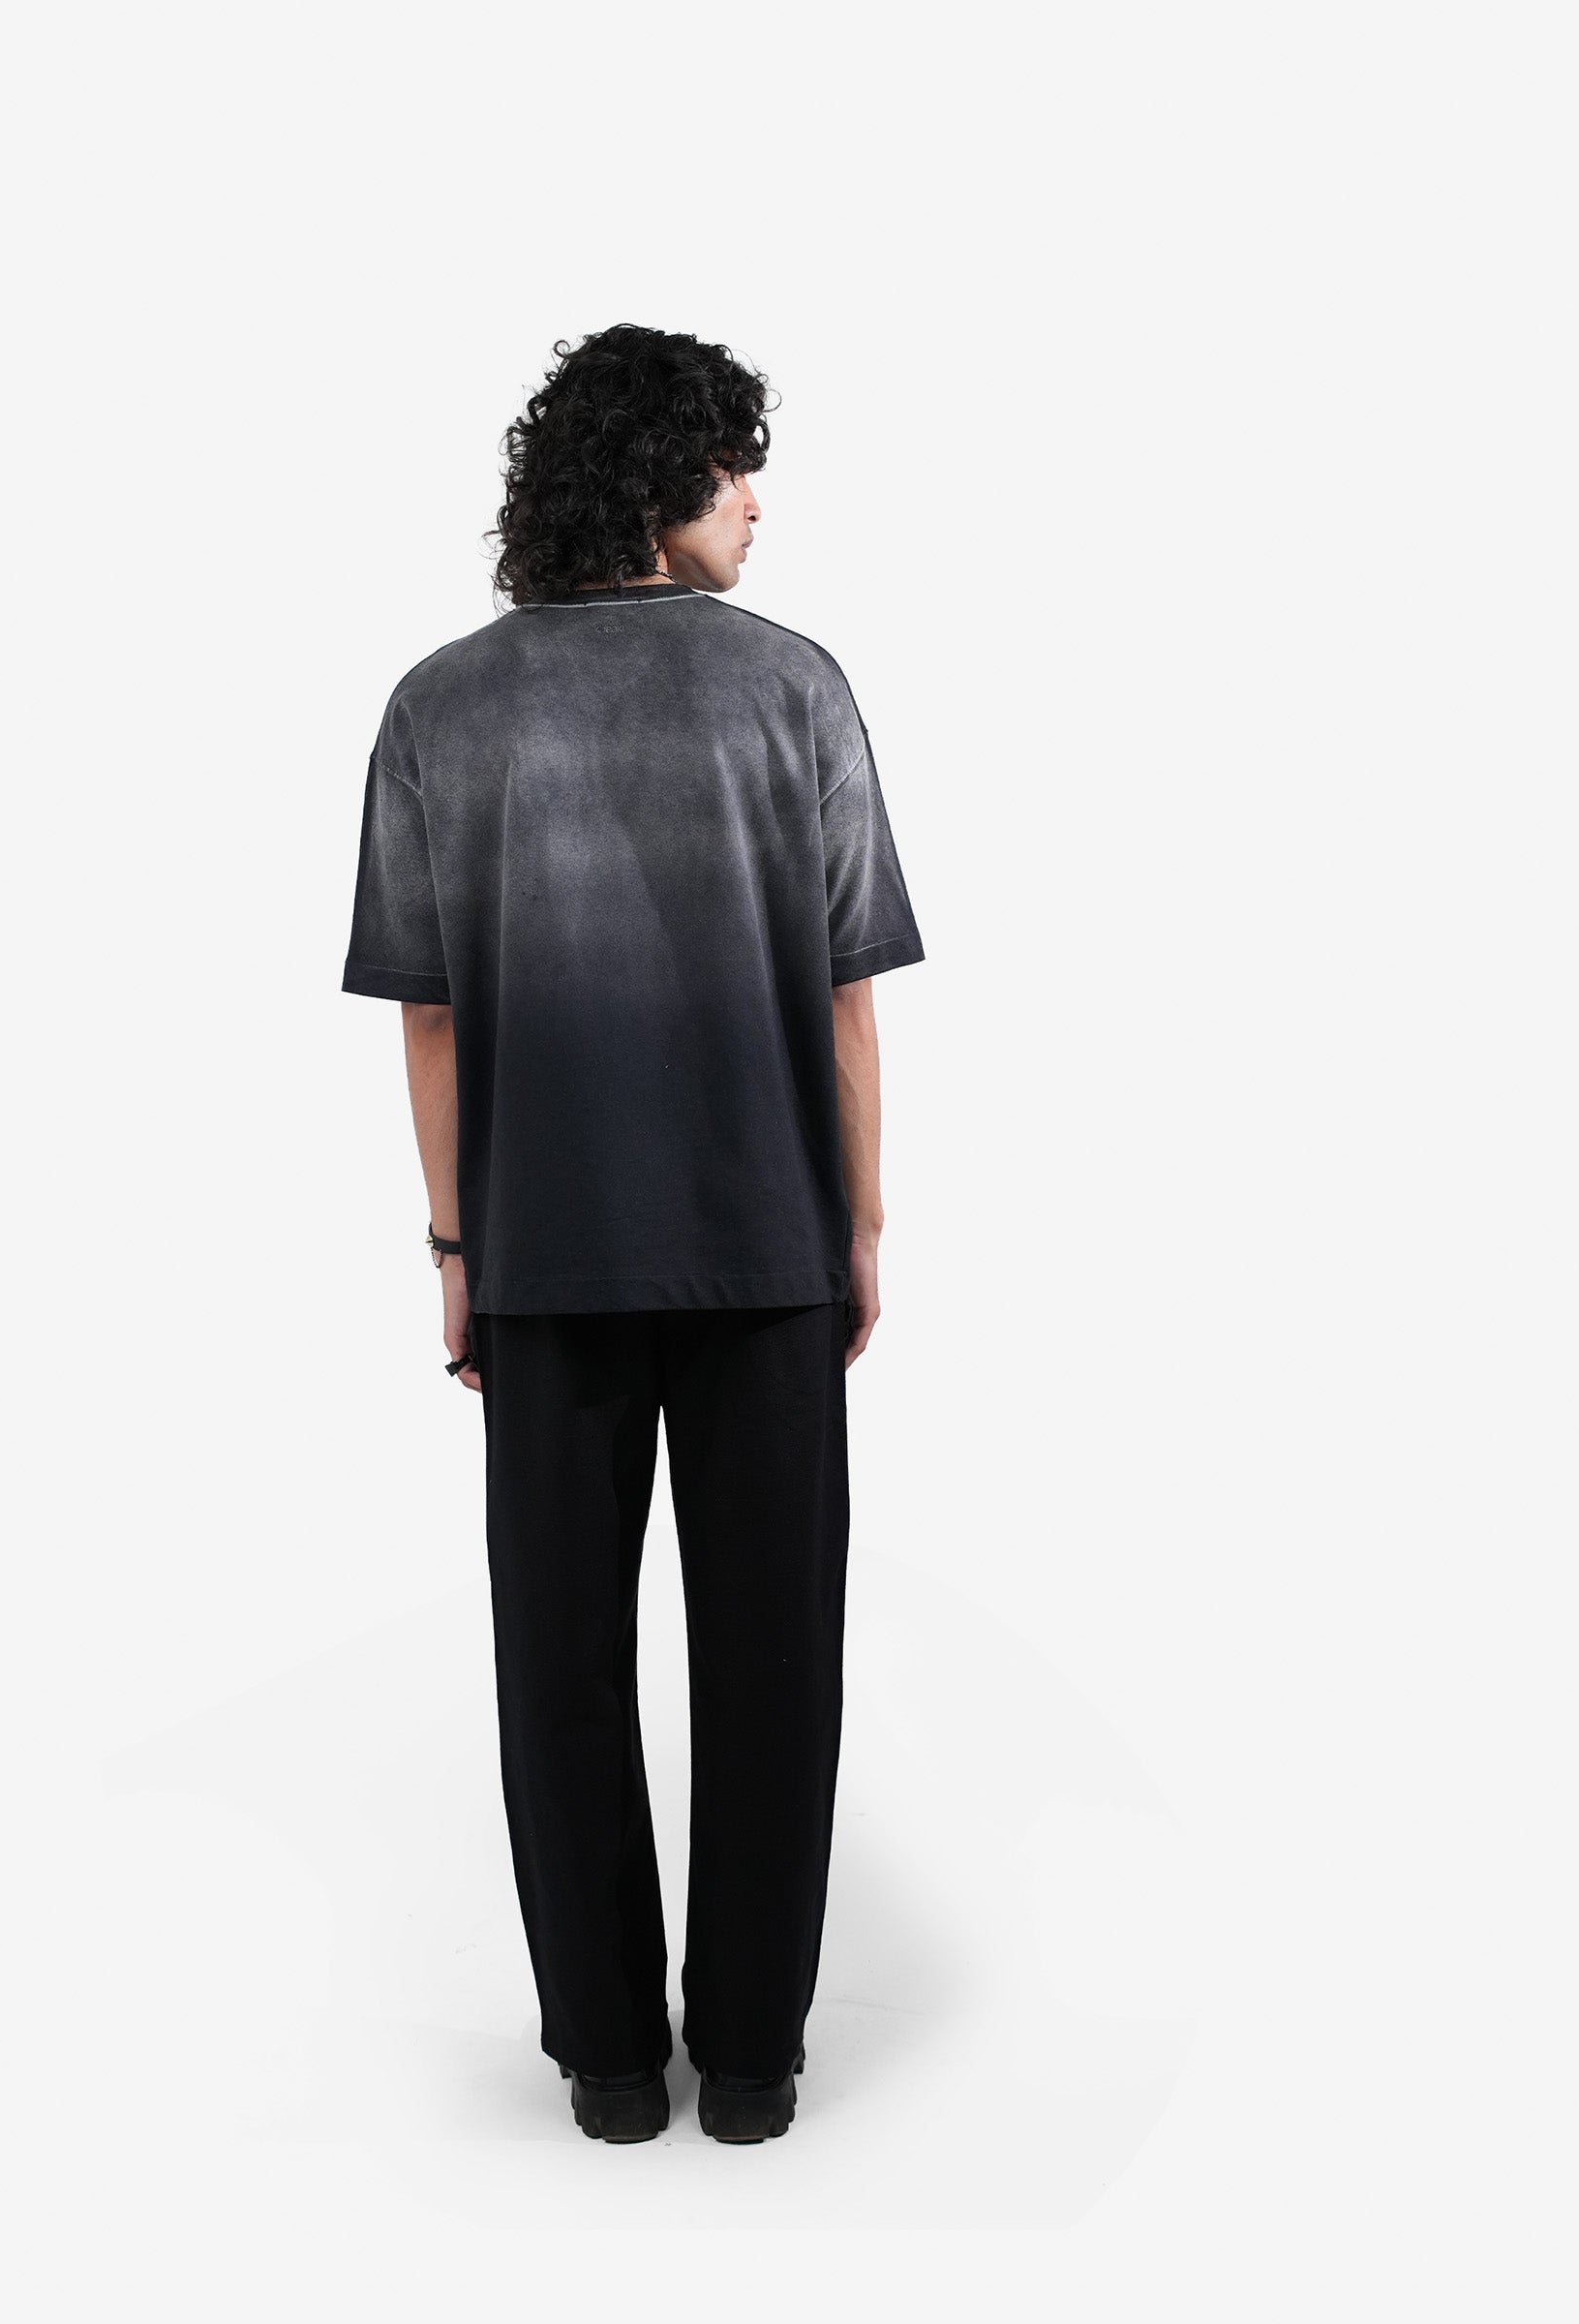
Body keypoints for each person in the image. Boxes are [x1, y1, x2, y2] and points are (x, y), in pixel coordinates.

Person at [342, 324, 926, 2144]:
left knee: (560, 1668)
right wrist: (862, 1222)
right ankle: (749, 2065)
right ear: (661, 476)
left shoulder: (443, 704)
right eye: (735, 466)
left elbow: (431, 1016)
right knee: (774, 1663)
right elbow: (843, 993)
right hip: (766, 1252)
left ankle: (608, 2064)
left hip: (547, 1256)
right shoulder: (794, 688)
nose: (754, 503)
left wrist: (457, 1252)